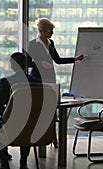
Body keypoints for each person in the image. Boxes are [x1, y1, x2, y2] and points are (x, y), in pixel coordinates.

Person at [26, 17, 84, 147]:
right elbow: (25, 62)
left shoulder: (51, 43)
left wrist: (75, 59)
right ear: (41, 31)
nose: (52, 33)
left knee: (51, 108)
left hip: (50, 79)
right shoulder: (32, 44)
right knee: (40, 109)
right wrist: (39, 63)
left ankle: (53, 135)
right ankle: (40, 135)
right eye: (50, 31)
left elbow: (57, 60)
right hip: (37, 80)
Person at [0, 52, 39, 169]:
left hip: (10, 128)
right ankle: (23, 163)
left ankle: (4, 163)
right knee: (27, 122)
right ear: (26, 65)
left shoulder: (5, 82)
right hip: (33, 127)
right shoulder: (38, 83)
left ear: (12, 65)